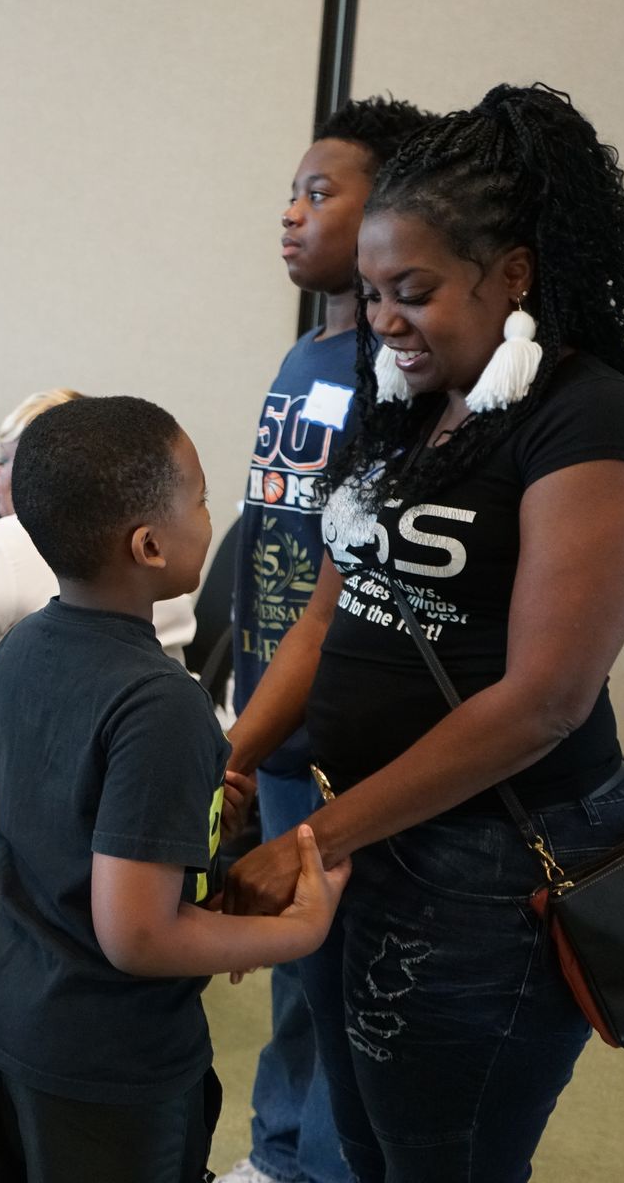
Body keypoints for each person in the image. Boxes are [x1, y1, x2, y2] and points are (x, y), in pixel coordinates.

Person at [223, 84, 624, 1182]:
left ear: (511, 273)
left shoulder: (592, 415)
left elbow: (544, 700)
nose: (383, 320)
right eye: (373, 292)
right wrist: (232, 762)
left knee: (443, 1155)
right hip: (368, 824)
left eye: (412, 291)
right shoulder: (407, 403)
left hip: (487, 860)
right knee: (366, 1141)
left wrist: (316, 841)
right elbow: (328, 616)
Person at [0, 396, 348, 1183]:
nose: (210, 515)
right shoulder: (161, 703)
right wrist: (298, 933)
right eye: (201, 499)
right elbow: (139, 936)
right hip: (96, 1058)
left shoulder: (21, 646)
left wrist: (192, 805)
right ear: (150, 545)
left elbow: (65, 810)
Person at [221, 95, 432, 1183]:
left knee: (346, 973)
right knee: (296, 967)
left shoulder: (398, 371)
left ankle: (319, 1164)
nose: (292, 215)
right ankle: (275, 1155)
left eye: (320, 192)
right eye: (291, 192)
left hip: (345, 725)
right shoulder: (309, 349)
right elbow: (265, 544)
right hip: (271, 701)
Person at [0, 386, 198, 1075]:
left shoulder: (3, 551)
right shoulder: (151, 638)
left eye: (12, 459)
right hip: (90, 835)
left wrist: (294, 932)